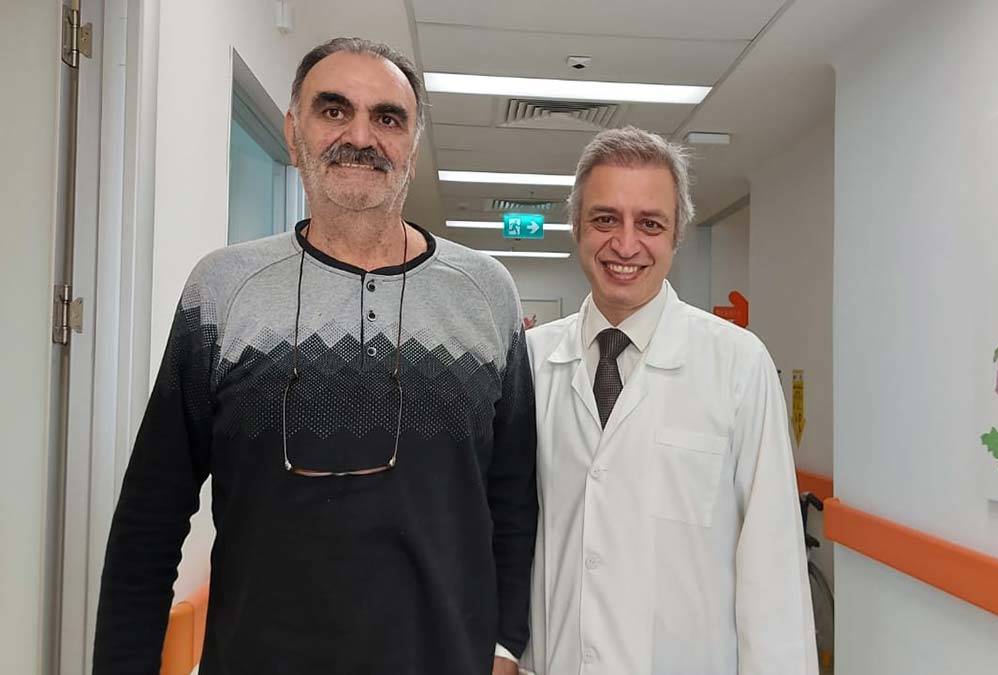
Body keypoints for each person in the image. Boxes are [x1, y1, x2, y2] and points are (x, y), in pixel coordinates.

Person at [93, 38, 536, 675]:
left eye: (388, 118)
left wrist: (505, 646)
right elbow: (152, 511)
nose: (360, 136)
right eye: (333, 110)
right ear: (293, 131)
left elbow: (513, 496)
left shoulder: (485, 291)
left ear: (413, 146)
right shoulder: (222, 290)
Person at [522, 127, 817, 674]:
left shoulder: (737, 364)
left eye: (650, 223)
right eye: (605, 219)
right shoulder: (531, 362)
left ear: (677, 235)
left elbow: (772, 568)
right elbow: (508, 534)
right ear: (577, 227)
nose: (625, 244)